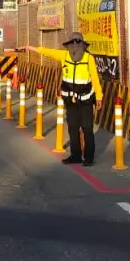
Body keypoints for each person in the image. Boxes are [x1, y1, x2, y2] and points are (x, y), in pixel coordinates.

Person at [35, 31, 104, 166]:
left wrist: (99, 97)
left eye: (78, 42)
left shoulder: (88, 58)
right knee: (73, 128)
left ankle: (88, 157)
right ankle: (75, 155)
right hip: (70, 100)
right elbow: (46, 51)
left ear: (82, 45)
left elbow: (95, 78)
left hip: (86, 99)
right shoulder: (64, 55)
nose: (75, 45)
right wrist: (29, 48)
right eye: (73, 42)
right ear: (69, 45)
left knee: (87, 128)